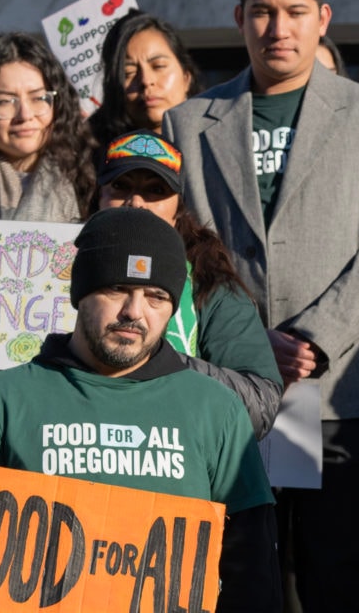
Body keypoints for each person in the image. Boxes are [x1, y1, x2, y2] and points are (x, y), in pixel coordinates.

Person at [163, 0, 359, 612]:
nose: (278, 27)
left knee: (337, 571)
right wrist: (251, 343)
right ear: (239, 17)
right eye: (262, 12)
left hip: (334, 388)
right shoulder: (188, 123)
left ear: (322, 18)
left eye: (295, 12)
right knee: (240, 569)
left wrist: (312, 336)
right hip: (228, 384)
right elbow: (182, 246)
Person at [0, 207, 281, 612]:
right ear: (80, 292)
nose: (134, 312)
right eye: (117, 289)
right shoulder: (9, 398)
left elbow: (250, 568)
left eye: (156, 297)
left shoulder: (216, 409)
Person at [96, 129, 282, 438]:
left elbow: (260, 405)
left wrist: (155, 361)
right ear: (97, 196)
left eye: (156, 190)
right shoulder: (51, 270)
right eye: (120, 186)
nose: (136, 202)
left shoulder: (209, 284)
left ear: (178, 209)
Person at [0, 31, 98, 221]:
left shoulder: (89, 177)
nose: (25, 115)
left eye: (39, 98)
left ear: (59, 103)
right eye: (4, 102)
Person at [89, 9, 202, 146]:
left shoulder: (218, 143)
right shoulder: (90, 158)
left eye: (159, 66)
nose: (146, 81)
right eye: (128, 72)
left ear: (186, 77)